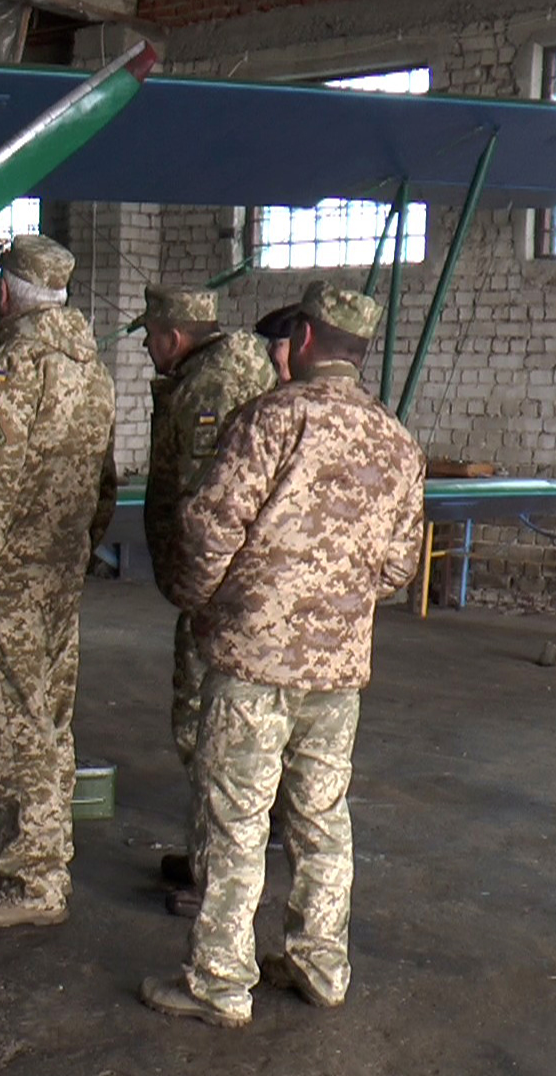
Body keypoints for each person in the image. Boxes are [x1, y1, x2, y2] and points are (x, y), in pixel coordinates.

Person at [139, 281, 425, 1028]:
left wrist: (200, 601)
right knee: (321, 818)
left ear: (300, 341)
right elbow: (399, 566)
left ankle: (220, 982)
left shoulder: (271, 420)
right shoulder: (396, 440)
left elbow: (208, 529)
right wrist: (336, 602)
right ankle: (320, 965)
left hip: (253, 665)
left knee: (236, 820)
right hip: (338, 671)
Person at [0, 234, 117, 929]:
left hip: (11, 578)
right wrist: (74, 550)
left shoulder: (17, 367)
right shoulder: (91, 368)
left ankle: (34, 881)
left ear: (6, 292)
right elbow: (103, 483)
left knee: (15, 728)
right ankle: (40, 857)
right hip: (59, 573)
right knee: (50, 720)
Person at [137, 284, 277, 918]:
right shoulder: (235, 367)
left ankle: (220, 880)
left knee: (208, 733)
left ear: (174, 336)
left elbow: (206, 509)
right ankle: (208, 856)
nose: (146, 346)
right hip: (241, 588)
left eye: (150, 335)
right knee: (218, 732)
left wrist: (196, 593)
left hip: (219, 593)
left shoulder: (209, 388)